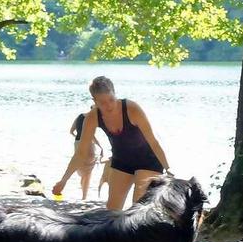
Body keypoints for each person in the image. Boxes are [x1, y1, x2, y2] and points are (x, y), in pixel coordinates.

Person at [52, 76, 171, 210]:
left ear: (115, 93)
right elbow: (80, 153)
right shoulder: (92, 117)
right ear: (94, 100)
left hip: (149, 161)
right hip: (121, 160)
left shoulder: (131, 109)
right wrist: (64, 180)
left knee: (138, 210)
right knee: (112, 211)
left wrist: (168, 168)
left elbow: (153, 141)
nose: (108, 106)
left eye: (111, 100)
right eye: (102, 102)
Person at [68, 106, 103, 200]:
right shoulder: (92, 119)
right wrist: (100, 146)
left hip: (77, 144)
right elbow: (91, 135)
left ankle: (83, 196)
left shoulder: (79, 116)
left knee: (82, 171)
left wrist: (78, 138)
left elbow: (71, 131)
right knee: (88, 173)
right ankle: (84, 198)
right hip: (89, 146)